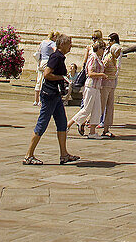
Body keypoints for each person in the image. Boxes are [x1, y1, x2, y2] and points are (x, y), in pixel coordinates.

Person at [23, 34, 80, 165]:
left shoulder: (59, 56)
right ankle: (29, 155)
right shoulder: (56, 57)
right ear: (62, 45)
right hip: (49, 95)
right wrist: (61, 78)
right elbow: (47, 73)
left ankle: (64, 155)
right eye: (69, 43)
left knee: (62, 123)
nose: (71, 46)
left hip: (55, 95)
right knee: (42, 123)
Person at [68, 39, 106, 137]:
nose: (104, 50)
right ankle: (68, 125)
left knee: (97, 109)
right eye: (103, 48)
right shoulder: (93, 57)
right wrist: (101, 74)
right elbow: (90, 73)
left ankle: (92, 132)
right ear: (98, 49)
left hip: (97, 87)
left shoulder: (98, 57)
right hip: (91, 86)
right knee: (87, 109)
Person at [100, 33, 122, 137]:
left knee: (110, 107)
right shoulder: (108, 59)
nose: (118, 54)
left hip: (112, 84)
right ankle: (88, 124)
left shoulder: (114, 58)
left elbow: (118, 66)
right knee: (101, 106)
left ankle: (106, 128)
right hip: (105, 84)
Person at [33, 30, 57, 106]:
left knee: (39, 80)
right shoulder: (52, 43)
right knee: (44, 80)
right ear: (54, 37)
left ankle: (36, 100)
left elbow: (38, 51)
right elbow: (55, 50)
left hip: (41, 61)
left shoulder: (43, 42)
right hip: (47, 62)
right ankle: (41, 100)